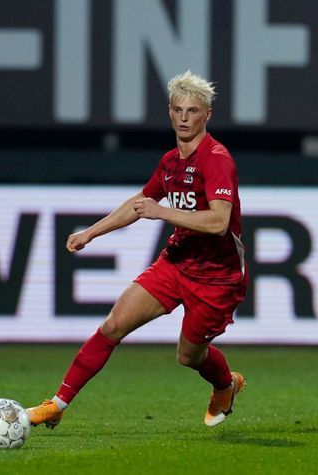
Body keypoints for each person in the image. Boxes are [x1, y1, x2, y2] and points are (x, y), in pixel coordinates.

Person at [27, 71, 247, 429]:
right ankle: (57, 404)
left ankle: (225, 384)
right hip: (176, 263)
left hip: (216, 279)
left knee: (189, 356)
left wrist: (162, 211)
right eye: (178, 110)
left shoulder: (217, 159)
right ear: (170, 112)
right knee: (113, 325)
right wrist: (91, 233)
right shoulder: (170, 162)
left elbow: (218, 222)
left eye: (193, 111)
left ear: (207, 115)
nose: (184, 118)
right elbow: (140, 203)